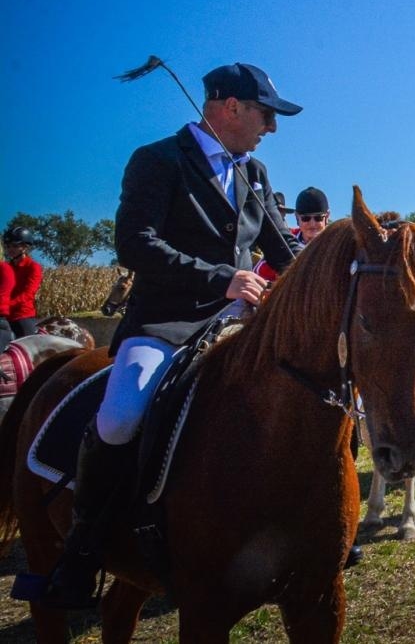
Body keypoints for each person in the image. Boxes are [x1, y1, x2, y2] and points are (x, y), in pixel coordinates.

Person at [42, 62, 303, 608]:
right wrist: (222, 278)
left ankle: (310, 526)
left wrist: (326, 274)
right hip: (167, 321)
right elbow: (135, 244)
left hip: (240, 322)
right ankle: (84, 547)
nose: (271, 128)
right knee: (120, 415)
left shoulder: (253, 173)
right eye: (265, 115)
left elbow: (282, 250)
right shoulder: (157, 160)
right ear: (230, 107)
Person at [255, 186, 331, 282]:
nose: (312, 224)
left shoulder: (336, 244)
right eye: (305, 218)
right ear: (297, 217)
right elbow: (259, 272)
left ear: (327, 216)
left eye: (318, 218)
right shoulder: (283, 240)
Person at [5, 227, 45, 339]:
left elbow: (28, 293)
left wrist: (7, 304)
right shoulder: (6, 268)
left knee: (28, 346)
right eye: (8, 246)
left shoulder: (33, 267)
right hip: (4, 316)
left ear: (25, 247)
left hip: (22, 315)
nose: (10, 249)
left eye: (15, 246)